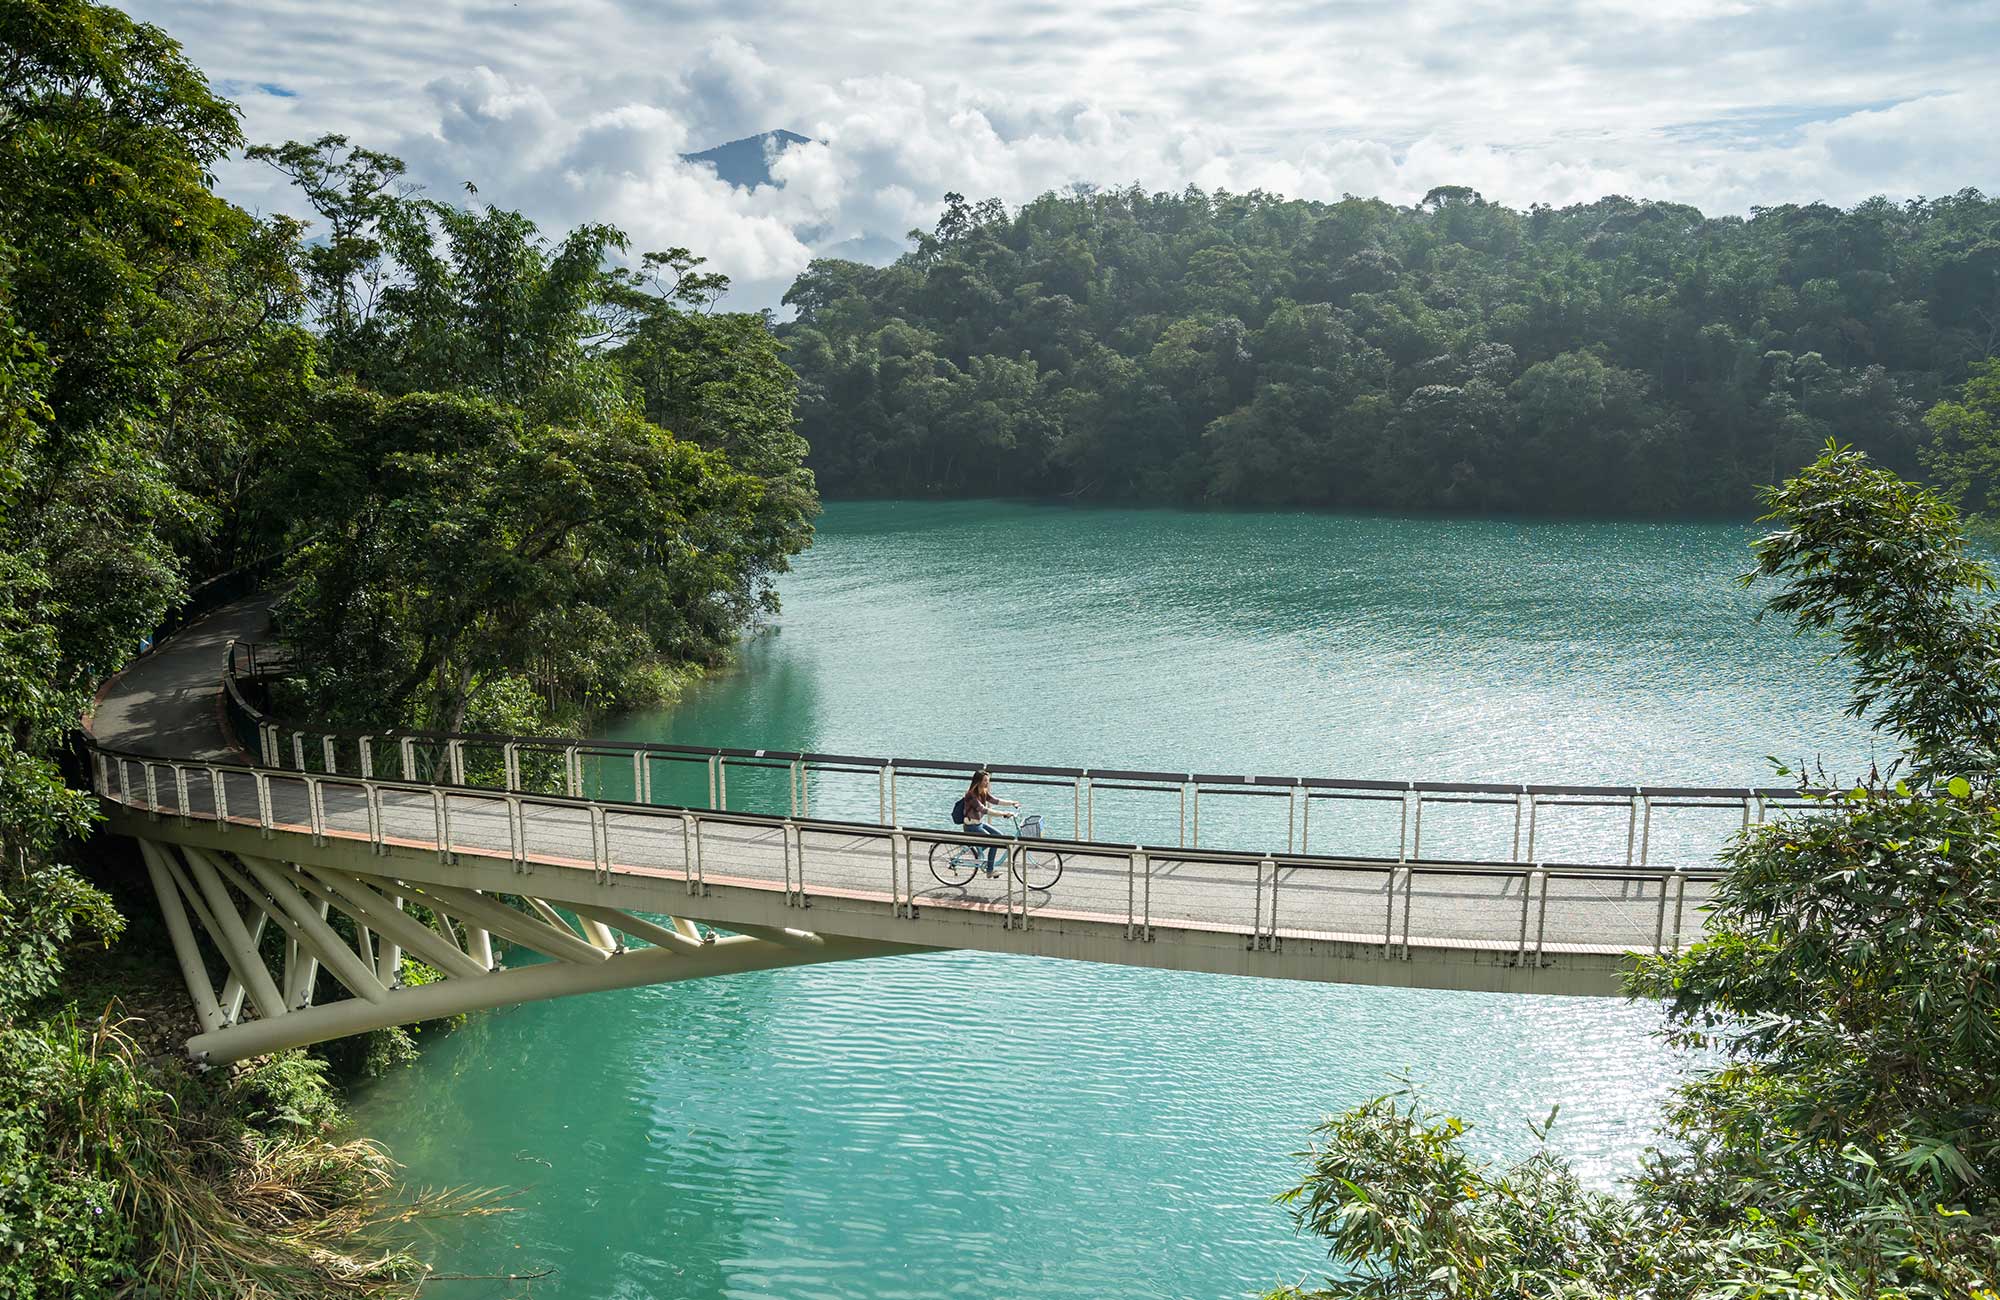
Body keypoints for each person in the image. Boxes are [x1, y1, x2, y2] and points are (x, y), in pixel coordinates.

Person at [958, 770, 1018, 877]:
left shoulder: (983, 792)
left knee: (999, 836)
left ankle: (976, 851)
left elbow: (995, 800)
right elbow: (984, 810)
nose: (987, 782)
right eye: (985, 780)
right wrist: (1003, 813)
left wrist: (1012, 802)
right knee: (994, 843)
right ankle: (990, 871)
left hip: (979, 824)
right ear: (978, 781)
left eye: (988, 780)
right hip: (971, 826)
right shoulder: (971, 795)